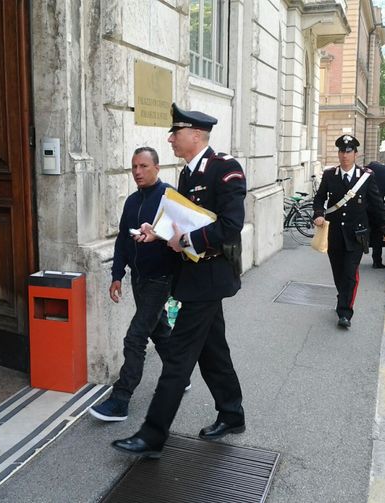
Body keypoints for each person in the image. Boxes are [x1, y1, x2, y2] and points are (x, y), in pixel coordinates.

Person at [111, 103, 246, 459]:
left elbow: (230, 226)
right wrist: (157, 232)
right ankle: (232, 414)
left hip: (210, 277)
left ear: (196, 135)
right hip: (195, 276)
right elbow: (185, 219)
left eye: (176, 132)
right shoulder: (188, 173)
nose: (170, 139)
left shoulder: (225, 168)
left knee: (177, 360)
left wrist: (185, 240)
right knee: (213, 351)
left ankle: (152, 434)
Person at [89, 147, 177, 422]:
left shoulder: (169, 198)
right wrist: (117, 275)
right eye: (134, 166)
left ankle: (120, 399)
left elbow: (181, 236)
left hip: (161, 279)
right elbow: (122, 241)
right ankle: (179, 374)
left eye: (143, 166)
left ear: (157, 168)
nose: (137, 172)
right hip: (138, 278)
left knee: (135, 337)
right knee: (159, 329)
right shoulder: (131, 201)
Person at [313, 135, 385, 329]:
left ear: (355, 154)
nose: (344, 155)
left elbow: (377, 204)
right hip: (334, 234)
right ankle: (343, 297)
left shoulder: (366, 177)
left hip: (357, 235)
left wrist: (384, 227)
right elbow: (319, 198)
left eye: (348, 151)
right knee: (338, 272)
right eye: (342, 151)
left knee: (349, 273)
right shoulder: (330, 175)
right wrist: (318, 214)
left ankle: (345, 313)